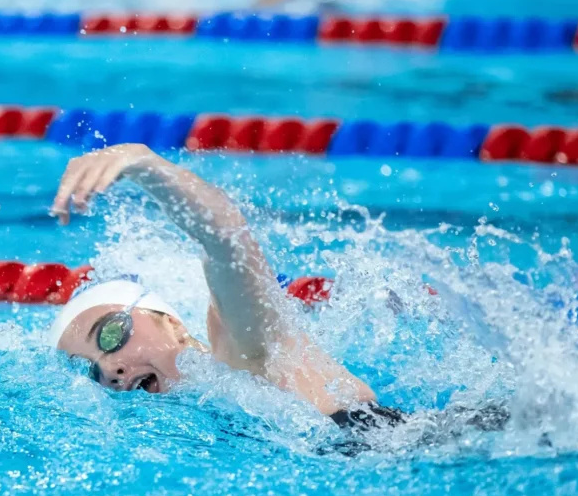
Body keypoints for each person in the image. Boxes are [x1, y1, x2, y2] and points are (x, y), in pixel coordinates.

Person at [47, 143, 406, 430]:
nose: (109, 369)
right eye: (89, 370)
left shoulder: (243, 348)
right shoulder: (202, 416)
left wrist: (143, 163)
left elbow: (226, 240)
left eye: (110, 336)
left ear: (170, 322)